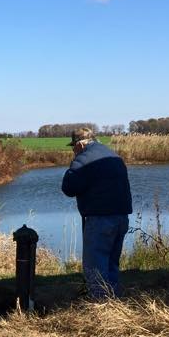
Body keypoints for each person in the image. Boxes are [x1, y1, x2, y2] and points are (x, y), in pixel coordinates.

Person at [60, 127, 132, 299]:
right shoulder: (113, 155)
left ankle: (101, 309)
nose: (73, 150)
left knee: (95, 266)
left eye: (73, 147)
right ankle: (114, 303)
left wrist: (76, 159)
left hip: (100, 219)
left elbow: (68, 187)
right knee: (111, 264)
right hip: (121, 217)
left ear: (80, 144)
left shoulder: (84, 158)